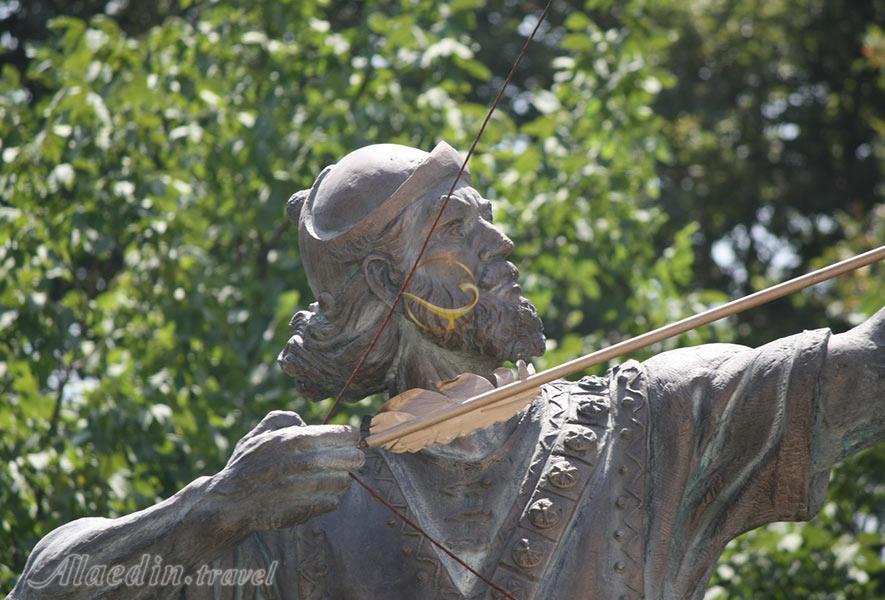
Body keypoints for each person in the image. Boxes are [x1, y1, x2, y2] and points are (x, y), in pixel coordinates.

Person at [11, 142, 884, 600]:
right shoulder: (292, 508)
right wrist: (208, 513)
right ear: (393, 282)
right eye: (460, 227)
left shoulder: (658, 426)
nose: (500, 242)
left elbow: (867, 366)